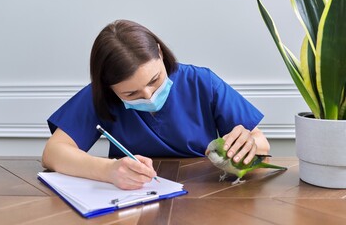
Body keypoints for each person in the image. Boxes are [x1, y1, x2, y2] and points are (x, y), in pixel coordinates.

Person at [41, 19, 270, 190]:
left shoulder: (202, 82)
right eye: (131, 93)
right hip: (132, 197)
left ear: (160, 53)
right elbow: (53, 152)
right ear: (109, 87)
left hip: (207, 193)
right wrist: (109, 170)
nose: (149, 96)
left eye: (154, 80)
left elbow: (262, 144)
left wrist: (249, 142)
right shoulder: (99, 96)